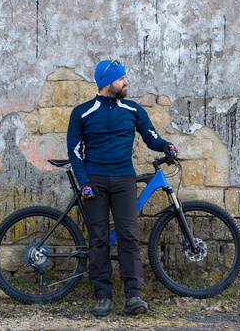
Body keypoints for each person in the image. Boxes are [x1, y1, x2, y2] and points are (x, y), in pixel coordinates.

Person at [67, 60, 178, 317]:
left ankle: (134, 296)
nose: (126, 82)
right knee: (98, 238)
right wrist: (84, 183)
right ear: (108, 83)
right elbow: (74, 151)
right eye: (122, 78)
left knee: (128, 236)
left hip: (124, 180)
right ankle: (103, 296)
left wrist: (165, 146)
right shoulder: (81, 112)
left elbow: (150, 136)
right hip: (93, 181)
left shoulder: (133, 109)